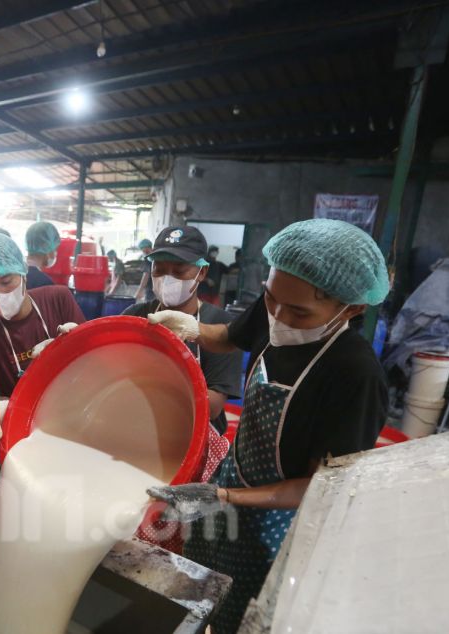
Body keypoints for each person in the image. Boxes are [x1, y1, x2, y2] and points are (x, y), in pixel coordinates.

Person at [146, 219, 390, 634]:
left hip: (275, 522)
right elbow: (229, 336)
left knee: (241, 612)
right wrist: (192, 329)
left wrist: (225, 495)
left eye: (298, 311)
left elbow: (319, 486)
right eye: (271, 298)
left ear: (352, 308)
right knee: (196, 590)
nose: (277, 316)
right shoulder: (279, 301)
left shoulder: (354, 374)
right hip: (233, 480)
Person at [124, 227, 242, 435]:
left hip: (193, 437)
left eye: (179, 272)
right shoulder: (135, 315)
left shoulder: (220, 326)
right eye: (159, 270)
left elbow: (212, 406)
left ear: (202, 272)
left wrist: (148, 386)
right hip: (139, 429)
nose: (167, 279)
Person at [0, 233, 85, 398]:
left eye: (6, 282)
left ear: (23, 273)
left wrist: (74, 347)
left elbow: (91, 365)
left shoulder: (58, 299)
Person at [23, 221, 60, 289]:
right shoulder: (43, 283)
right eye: (55, 249)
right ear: (46, 246)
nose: (55, 253)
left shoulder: (14, 274)